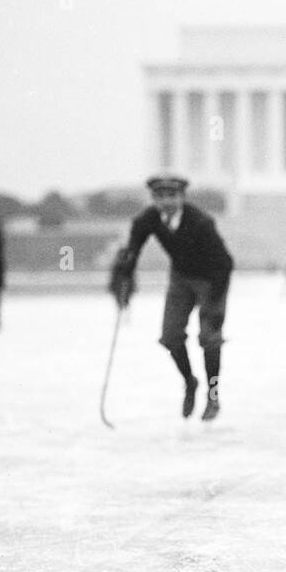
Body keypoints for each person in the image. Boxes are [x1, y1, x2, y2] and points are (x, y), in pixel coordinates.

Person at [110, 175, 234, 421]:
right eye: (160, 196)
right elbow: (134, 247)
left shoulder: (201, 222)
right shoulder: (147, 219)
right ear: (154, 198)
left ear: (182, 197)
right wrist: (125, 268)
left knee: (210, 340)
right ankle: (190, 381)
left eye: (172, 196)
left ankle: (213, 394)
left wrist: (213, 306)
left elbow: (225, 263)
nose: (166, 202)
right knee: (170, 337)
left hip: (212, 279)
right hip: (181, 279)